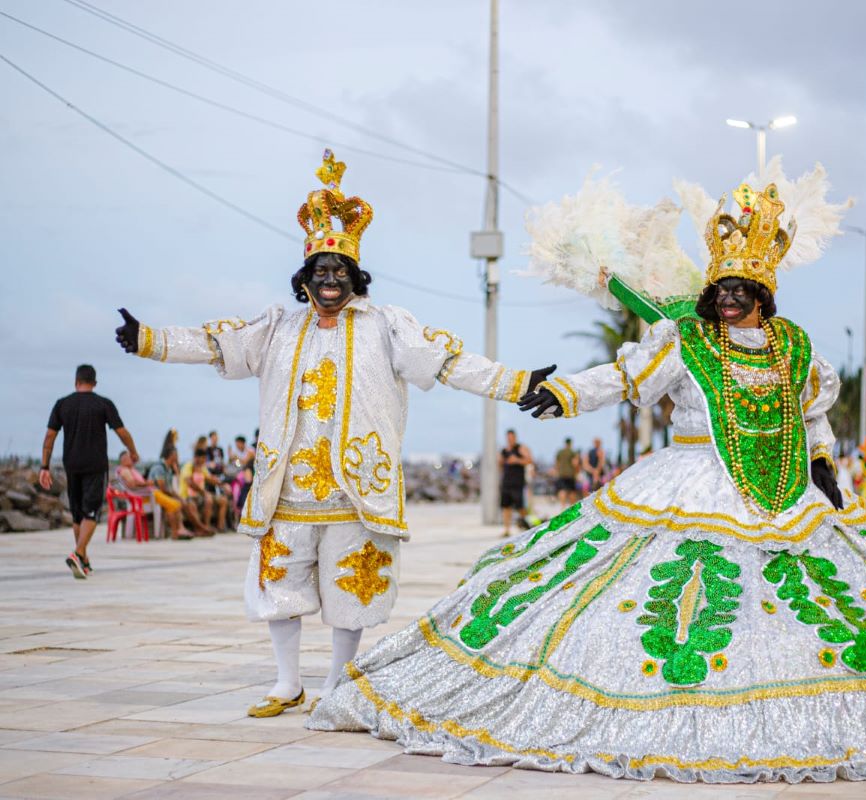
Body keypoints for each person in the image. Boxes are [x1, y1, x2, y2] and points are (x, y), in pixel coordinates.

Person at [312, 167, 866, 780]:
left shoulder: (796, 348)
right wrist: (563, 392)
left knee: (812, 609)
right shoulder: (681, 340)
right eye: (723, 287)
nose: (731, 299)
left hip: (783, 492)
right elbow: (624, 379)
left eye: (744, 289)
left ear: (764, 291)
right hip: (682, 480)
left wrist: (824, 471)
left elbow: (810, 417)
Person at [114, 150, 551, 719]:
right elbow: (217, 343)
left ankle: (338, 683)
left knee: (354, 591)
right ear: (305, 279)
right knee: (280, 587)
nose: (328, 280)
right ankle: (286, 682)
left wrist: (514, 383)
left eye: (338, 272)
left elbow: (446, 361)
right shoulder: (276, 326)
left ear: (355, 277)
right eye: (319, 272)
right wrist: (150, 339)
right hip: (287, 487)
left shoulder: (387, 325)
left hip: (355, 488)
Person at [39, 364, 139, 579]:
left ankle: (82, 559)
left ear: (76, 382)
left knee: (78, 515)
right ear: (94, 383)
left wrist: (44, 466)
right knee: (91, 512)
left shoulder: (62, 404)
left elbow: (49, 437)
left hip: (71, 465)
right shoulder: (103, 404)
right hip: (95, 465)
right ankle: (78, 553)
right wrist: (132, 451)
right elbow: (121, 432)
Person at [145, 448, 199, 538]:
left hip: (161, 495)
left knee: (181, 503)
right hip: (153, 496)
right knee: (176, 504)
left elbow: (169, 488)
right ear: (172, 456)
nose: (178, 457)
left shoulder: (168, 469)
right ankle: (178, 531)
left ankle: (179, 530)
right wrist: (176, 497)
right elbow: (162, 488)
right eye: (176, 455)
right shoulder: (159, 467)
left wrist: (178, 496)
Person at [499, 430, 532, 537]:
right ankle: (506, 529)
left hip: (518, 482)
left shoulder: (521, 448)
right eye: (508, 437)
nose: (510, 439)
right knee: (506, 506)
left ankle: (526, 524)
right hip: (506, 481)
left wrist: (517, 460)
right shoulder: (504, 450)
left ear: (515, 437)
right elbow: (499, 463)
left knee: (520, 506)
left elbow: (529, 460)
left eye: (511, 437)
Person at [553, 437, 580, 508]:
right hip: (570, 474)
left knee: (562, 490)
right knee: (572, 491)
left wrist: (558, 471)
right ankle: (572, 507)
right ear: (571, 443)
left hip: (562, 474)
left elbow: (556, 463)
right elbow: (575, 463)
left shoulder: (560, 452)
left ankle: (563, 506)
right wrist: (577, 472)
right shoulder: (572, 452)